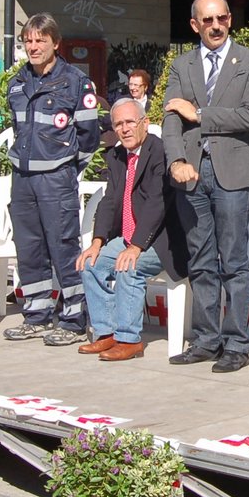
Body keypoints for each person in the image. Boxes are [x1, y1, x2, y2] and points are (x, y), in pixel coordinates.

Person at [164, 0, 249, 374]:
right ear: (195, 25)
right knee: (201, 259)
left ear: (229, 20)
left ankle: (238, 343)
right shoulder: (181, 65)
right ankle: (206, 340)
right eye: (207, 20)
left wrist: (202, 114)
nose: (215, 25)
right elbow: (171, 118)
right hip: (191, 171)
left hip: (233, 172)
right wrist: (175, 159)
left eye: (221, 17)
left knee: (234, 260)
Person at [1, 13, 100, 345]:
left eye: (40, 40)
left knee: (63, 246)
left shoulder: (76, 82)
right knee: (29, 248)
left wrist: (68, 168)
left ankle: (73, 319)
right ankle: (37, 315)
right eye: (28, 40)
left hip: (56, 179)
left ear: (55, 43)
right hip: (23, 177)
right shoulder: (17, 83)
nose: (33, 46)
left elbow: (89, 137)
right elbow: (19, 130)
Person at [75, 98, 181, 361]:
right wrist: (97, 241)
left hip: (161, 240)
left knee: (128, 266)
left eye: (130, 122)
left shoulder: (160, 151)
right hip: (128, 237)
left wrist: (136, 246)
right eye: (118, 124)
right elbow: (109, 200)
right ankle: (106, 332)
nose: (124, 129)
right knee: (90, 264)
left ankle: (129, 339)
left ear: (144, 123)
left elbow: (158, 202)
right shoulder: (116, 156)